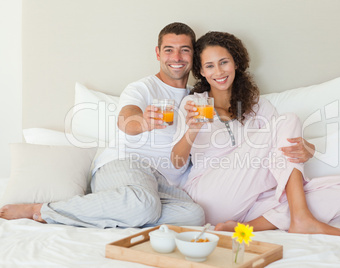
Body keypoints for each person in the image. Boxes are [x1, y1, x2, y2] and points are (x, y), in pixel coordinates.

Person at [0, 22, 205, 228]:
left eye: (184, 50)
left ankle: (119, 210)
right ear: (158, 53)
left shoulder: (195, 98)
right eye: (169, 50)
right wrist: (143, 122)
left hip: (160, 183)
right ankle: (42, 210)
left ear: (193, 55)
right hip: (124, 166)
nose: (176, 58)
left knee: (193, 215)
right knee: (143, 203)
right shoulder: (142, 88)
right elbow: (126, 118)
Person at [171, 31, 340, 236]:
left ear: (235, 63)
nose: (218, 71)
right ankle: (301, 217)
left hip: (253, 201)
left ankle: (249, 227)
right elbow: (177, 162)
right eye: (210, 66)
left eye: (224, 62)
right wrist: (192, 131)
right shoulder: (194, 104)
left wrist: (309, 149)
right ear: (202, 71)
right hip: (213, 197)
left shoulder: (260, 106)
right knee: (289, 120)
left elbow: (282, 148)